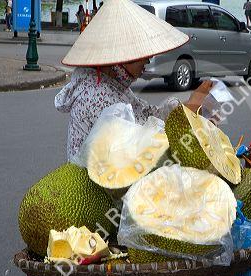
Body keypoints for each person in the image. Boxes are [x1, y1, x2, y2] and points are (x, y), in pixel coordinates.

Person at [56, 0, 212, 161]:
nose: (147, 61)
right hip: (96, 180)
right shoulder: (96, 95)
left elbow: (147, 114)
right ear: (120, 60)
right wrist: (188, 124)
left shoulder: (112, 84)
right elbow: (137, 145)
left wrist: (187, 109)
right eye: (142, 57)